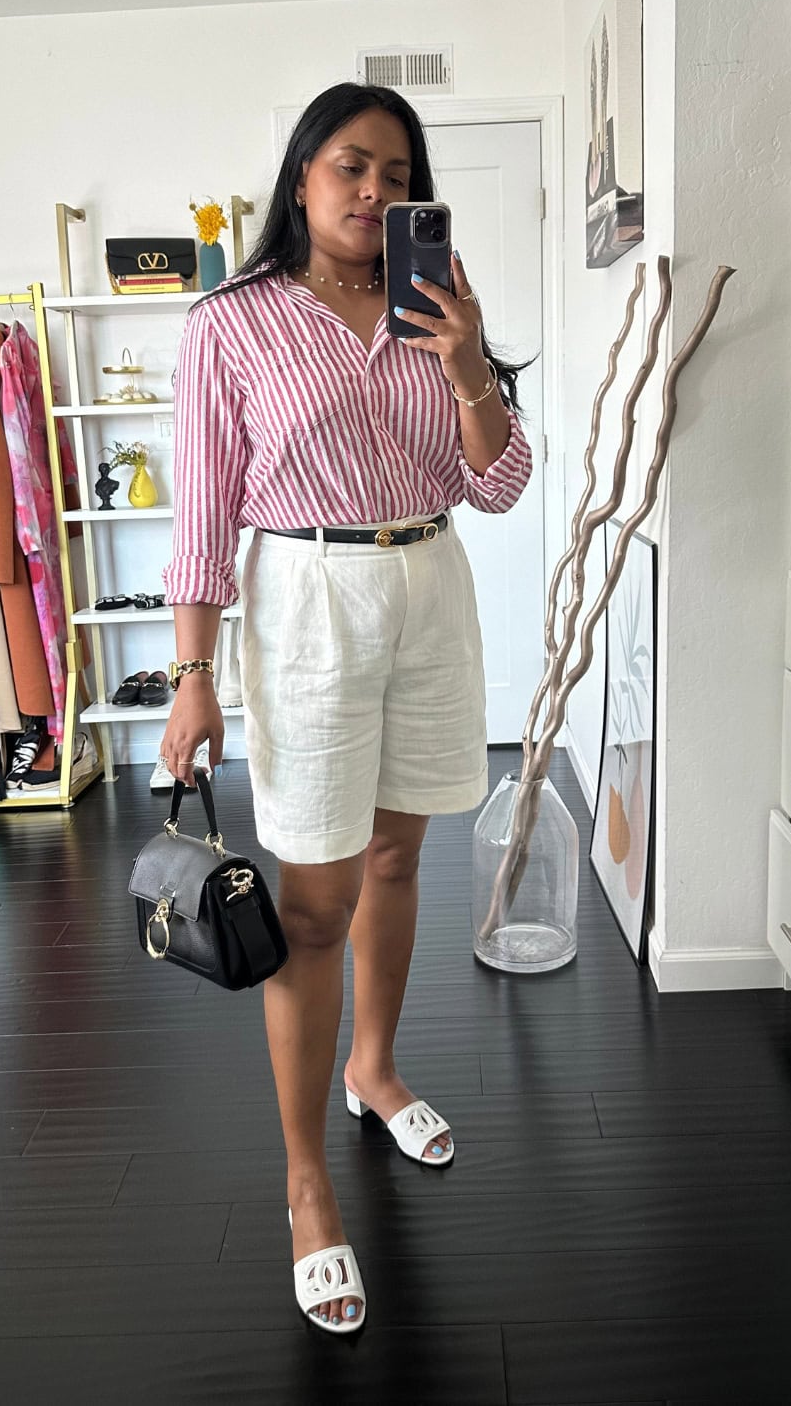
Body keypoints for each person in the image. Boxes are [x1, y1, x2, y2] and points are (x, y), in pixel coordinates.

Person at [161, 81, 533, 1335]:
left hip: (430, 581)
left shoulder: (438, 304)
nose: (375, 191)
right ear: (303, 177)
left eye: (397, 173)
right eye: (350, 166)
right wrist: (194, 676)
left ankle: (373, 1068)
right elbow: (204, 514)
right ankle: (305, 1181)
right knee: (313, 904)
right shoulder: (231, 324)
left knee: (396, 857)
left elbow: (499, 485)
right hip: (306, 596)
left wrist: (468, 363)